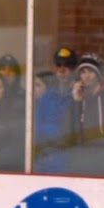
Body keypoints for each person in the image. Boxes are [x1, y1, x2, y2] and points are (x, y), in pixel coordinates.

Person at [34, 45, 78, 174]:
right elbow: (38, 129)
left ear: (74, 69)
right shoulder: (47, 96)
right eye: (58, 65)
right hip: (46, 163)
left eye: (67, 65)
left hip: (71, 166)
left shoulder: (79, 96)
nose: (62, 70)